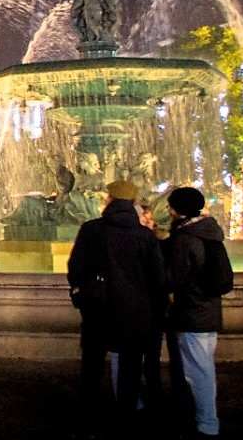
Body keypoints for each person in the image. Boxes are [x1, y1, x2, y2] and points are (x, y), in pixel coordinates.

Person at [66, 179, 164, 436]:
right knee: (131, 367)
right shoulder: (145, 236)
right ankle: (126, 420)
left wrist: (80, 295)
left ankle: (90, 420)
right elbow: (157, 279)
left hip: (97, 309)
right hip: (134, 312)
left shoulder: (91, 230)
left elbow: (75, 268)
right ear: (133, 204)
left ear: (109, 200)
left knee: (92, 366)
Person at [163, 186, 228, 438]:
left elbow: (172, 278)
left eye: (171, 206)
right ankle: (203, 418)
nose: (168, 210)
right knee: (203, 367)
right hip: (209, 310)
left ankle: (207, 423)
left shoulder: (185, 239)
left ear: (178, 210)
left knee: (199, 371)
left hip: (192, 311)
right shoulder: (210, 233)